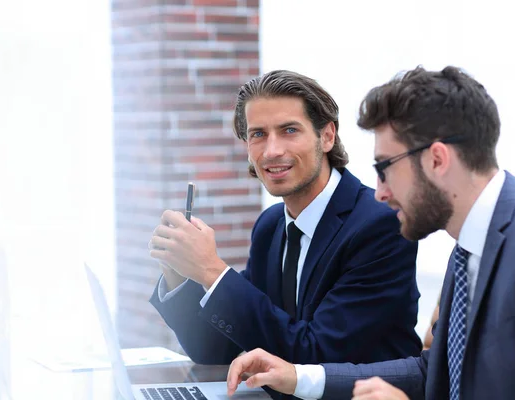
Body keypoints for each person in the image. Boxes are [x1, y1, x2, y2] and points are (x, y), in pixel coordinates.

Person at [226, 66, 515, 400]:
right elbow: (434, 373)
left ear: (437, 160)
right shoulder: (469, 247)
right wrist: (300, 377)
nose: (379, 192)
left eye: (385, 168)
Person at [148, 70, 422, 368]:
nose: (272, 150)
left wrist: (212, 270)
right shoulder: (270, 226)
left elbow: (316, 355)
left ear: (327, 136)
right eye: (258, 134)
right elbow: (214, 351)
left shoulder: (379, 225)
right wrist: (177, 269)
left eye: (289, 130)